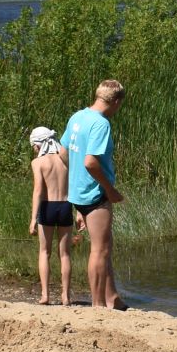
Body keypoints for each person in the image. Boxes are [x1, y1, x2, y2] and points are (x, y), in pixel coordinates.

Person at [63, 79, 124, 310]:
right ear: (116, 102)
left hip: (78, 192)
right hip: (95, 194)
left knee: (104, 245)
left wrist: (76, 185)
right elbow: (90, 162)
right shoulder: (101, 124)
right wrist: (110, 190)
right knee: (100, 250)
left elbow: (63, 152)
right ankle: (98, 305)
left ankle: (112, 299)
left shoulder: (77, 117)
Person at [26, 126, 75, 306]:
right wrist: (78, 212)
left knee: (44, 252)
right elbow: (74, 186)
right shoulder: (66, 160)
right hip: (65, 205)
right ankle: (66, 297)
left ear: (38, 145)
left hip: (47, 207)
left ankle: (45, 295)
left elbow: (38, 190)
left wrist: (33, 218)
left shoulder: (38, 163)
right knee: (65, 254)